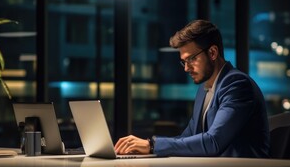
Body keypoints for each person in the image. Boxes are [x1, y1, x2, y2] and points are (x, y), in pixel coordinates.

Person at [115, 19, 270, 158]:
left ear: (213, 52)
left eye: (191, 59)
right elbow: (187, 138)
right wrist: (147, 145)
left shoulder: (236, 84)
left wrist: (153, 146)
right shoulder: (204, 90)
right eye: (184, 62)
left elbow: (213, 141)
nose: (186, 68)